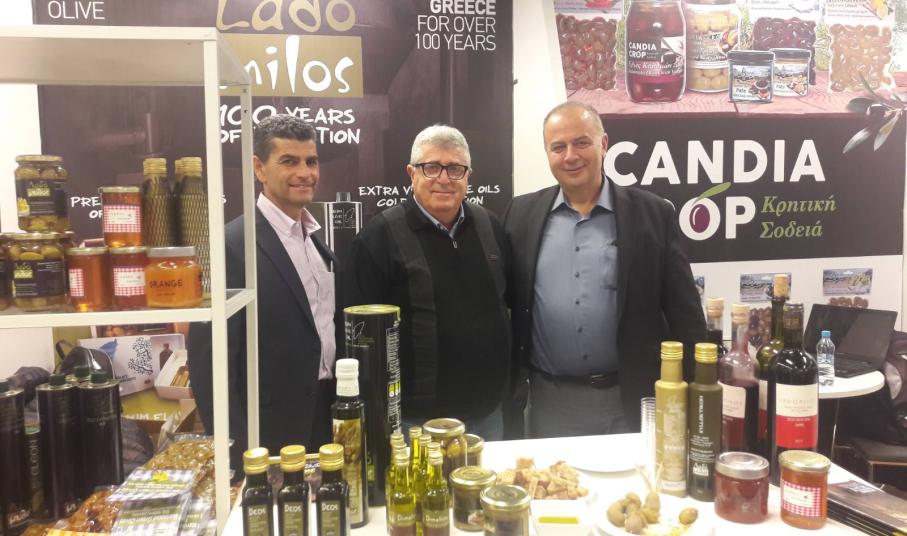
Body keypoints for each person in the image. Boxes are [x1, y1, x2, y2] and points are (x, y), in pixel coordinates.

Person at [504, 101, 705, 438]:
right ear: (547, 153)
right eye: (558, 147)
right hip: (550, 403)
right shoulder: (520, 215)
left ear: (604, 144)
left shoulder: (653, 214)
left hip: (631, 401)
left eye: (581, 142)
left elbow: (686, 315)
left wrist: (695, 395)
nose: (570, 156)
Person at [188, 114, 339, 475]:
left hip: (325, 420)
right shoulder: (231, 245)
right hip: (268, 434)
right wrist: (236, 453)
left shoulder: (316, 243)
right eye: (289, 161)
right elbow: (210, 364)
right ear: (259, 168)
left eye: (311, 161)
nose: (305, 173)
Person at [342, 125, 510, 440]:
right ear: (412, 173)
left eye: (455, 169)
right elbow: (358, 338)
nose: (444, 179)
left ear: (469, 175)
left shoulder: (490, 227)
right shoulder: (379, 237)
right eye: (431, 167)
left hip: (488, 415)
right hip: (414, 423)